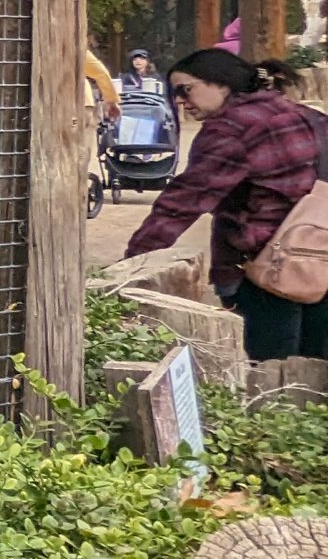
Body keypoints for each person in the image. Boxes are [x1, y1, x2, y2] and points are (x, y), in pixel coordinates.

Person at [124, 47, 328, 360]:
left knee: (267, 380)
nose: (179, 100)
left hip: (258, 273)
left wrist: (132, 264)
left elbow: (182, 203)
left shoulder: (231, 129)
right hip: (320, 265)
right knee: (314, 383)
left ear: (222, 83)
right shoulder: (307, 116)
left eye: (186, 89)